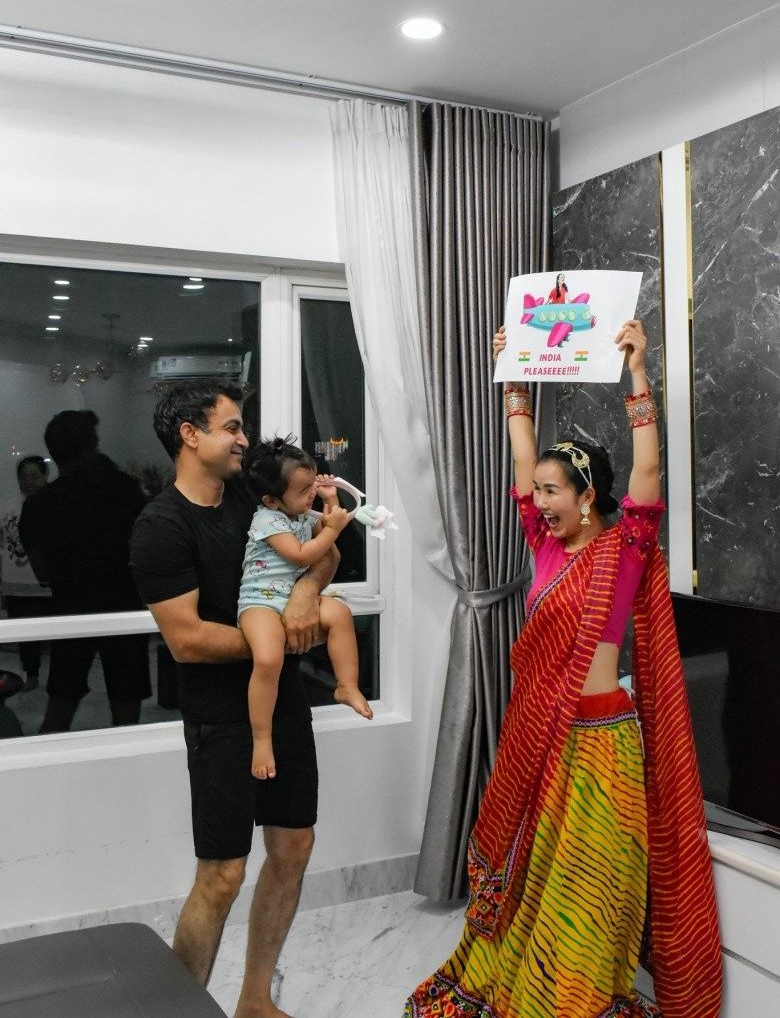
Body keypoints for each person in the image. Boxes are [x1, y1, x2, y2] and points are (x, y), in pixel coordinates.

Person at [405, 319, 721, 1018]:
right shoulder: (545, 548)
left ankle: (577, 999)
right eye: (539, 491)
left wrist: (638, 373)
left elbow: (647, 476)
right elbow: (522, 455)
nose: (540, 501)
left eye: (553, 491)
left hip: (604, 745)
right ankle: (532, 988)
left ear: (587, 496)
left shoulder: (624, 549)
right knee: (536, 876)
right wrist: (515, 378)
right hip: (544, 736)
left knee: (593, 886)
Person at [129, 381, 335, 1018]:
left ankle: (254, 1001)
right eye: (231, 427)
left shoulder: (256, 494)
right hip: (220, 717)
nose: (245, 439)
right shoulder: (160, 526)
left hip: (284, 703)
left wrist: (304, 598)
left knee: (294, 848)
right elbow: (187, 639)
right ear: (190, 435)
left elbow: (325, 549)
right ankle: (180, 1012)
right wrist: (273, 640)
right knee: (222, 875)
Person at [239, 437, 372, 780]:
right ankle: (261, 739)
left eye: (312, 485)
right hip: (260, 602)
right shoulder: (268, 520)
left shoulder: (299, 514)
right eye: (304, 490)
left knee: (340, 614)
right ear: (271, 499)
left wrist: (330, 499)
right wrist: (333, 528)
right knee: (268, 659)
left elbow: (326, 529)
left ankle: (346, 685)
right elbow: (302, 555)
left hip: (293, 598)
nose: (311, 494)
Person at [19, 412, 149, 732]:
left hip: (71, 609)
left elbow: (41, 573)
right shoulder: (125, 490)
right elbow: (147, 553)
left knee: (59, 707)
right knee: (126, 712)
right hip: (123, 607)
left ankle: (48, 763)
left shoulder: (40, 504)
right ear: (92, 444)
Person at [0, 455, 51, 690]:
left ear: (44, 476)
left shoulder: (55, 506)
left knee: (55, 634)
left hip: (47, 586)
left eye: (34, 476)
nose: (28, 481)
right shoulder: (6, 507)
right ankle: (31, 675)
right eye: (24, 477)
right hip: (15, 584)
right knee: (24, 634)